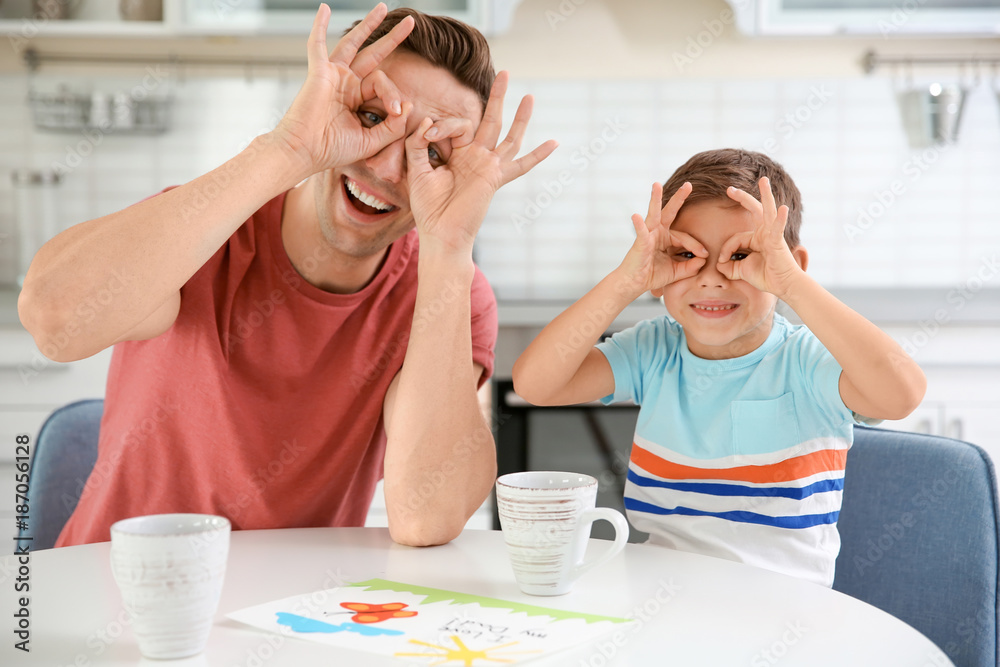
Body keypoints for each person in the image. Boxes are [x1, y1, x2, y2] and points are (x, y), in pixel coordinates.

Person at [18, 3, 556, 548]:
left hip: (290, 613)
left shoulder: (449, 289)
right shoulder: (207, 230)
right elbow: (53, 321)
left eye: (432, 155)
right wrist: (289, 148)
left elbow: (428, 517)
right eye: (371, 119)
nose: (387, 169)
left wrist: (449, 245)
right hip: (116, 593)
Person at [511, 149, 926, 587]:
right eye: (687, 255)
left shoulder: (807, 362)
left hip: (781, 610)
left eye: (743, 255)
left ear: (792, 266)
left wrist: (794, 288)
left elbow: (901, 395)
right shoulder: (655, 350)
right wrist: (624, 282)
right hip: (662, 596)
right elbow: (536, 384)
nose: (712, 278)